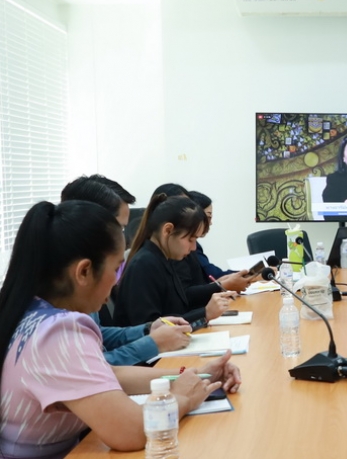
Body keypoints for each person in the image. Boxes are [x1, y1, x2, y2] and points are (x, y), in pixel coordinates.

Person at [0, 200, 241, 458]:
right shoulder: (59, 333)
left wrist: (197, 375)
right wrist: (183, 398)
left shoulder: (31, 311)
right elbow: (132, 431)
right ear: (84, 271)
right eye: (116, 269)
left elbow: (108, 373)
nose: (117, 282)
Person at [60, 175, 193, 365]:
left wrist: (148, 329)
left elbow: (97, 334)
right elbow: (92, 367)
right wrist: (153, 343)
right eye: (120, 228)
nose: (122, 238)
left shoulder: (84, 275)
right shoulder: (61, 291)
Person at [114, 194, 235, 329]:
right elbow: (150, 328)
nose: (194, 247)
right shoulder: (144, 264)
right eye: (190, 239)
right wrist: (205, 313)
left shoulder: (165, 258)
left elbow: (179, 309)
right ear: (168, 230)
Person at [188, 190, 234, 279]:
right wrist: (249, 274)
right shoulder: (190, 246)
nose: (211, 223)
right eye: (208, 217)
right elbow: (213, 274)